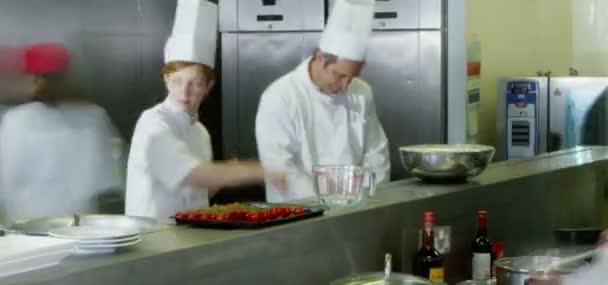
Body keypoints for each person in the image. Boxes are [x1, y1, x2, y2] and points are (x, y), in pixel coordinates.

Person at [125, 0, 281, 223]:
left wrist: (222, 177)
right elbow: (192, 174)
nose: (184, 92)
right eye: (177, 81)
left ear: (208, 87)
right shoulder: (153, 124)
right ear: (165, 80)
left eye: (195, 83)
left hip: (190, 240)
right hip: (153, 241)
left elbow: (200, 191)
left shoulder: (200, 133)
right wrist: (255, 171)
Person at [255, 0, 390, 203]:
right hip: (299, 213)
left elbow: (376, 152)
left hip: (355, 210)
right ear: (319, 58)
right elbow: (280, 167)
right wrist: (328, 204)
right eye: (340, 75)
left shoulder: (362, 92)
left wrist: (372, 200)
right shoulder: (280, 96)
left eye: (351, 77)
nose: (346, 86)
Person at [0, 43, 125, 224]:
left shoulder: (93, 117)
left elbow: (110, 178)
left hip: (72, 224)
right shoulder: (16, 120)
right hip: (36, 225)